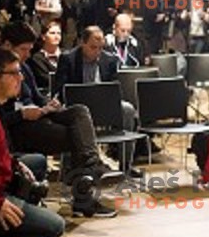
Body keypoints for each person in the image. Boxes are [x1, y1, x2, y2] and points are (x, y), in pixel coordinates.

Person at [0, 22, 120, 218]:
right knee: (77, 136)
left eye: (30, 50)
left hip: (36, 115)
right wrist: (21, 115)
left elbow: (37, 97)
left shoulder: (23, 68)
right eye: (23, 50)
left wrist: (50, 104)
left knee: (79, 111)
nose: (27, 55)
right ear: (6, 45)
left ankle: (92, 168)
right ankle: (88, 186)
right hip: (19, 125)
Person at [0, 47, 65, 237]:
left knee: (36, 161)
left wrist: (15, 162)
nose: (21, 77)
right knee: (54, 227)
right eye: (14, 73)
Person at [55, 26, 143, 178]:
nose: (97, 52)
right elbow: (61, 89)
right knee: (71, 114)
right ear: (83, 43)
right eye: (93, 47)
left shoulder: (109, 60)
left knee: (128, 109)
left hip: (103, 106)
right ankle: (75, 166)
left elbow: (114, 90)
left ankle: (126, 164)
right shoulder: (68, 59)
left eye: (100, 48)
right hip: (78, 108)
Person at [28, 20, 63, 91]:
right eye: (52, 33)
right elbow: (46, 79)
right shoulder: (36, 58)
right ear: (43, 36)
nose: (56, 36)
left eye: (59, 33)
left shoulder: (67, 55)